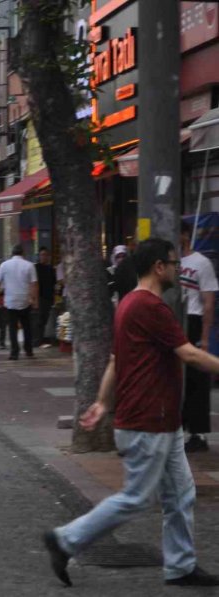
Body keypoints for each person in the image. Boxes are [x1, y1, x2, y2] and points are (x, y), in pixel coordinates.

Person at [44, 237, 219, 589]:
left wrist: (102, 402)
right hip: (148, 420)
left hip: (162, 421)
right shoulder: (150, 307)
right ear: (159, 267)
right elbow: (189, 354)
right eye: (174, 264)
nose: (177, 269)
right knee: (136, 498)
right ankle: (66, 539)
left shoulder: (128, 304)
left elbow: (115, 360)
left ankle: (181, 566)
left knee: (181, 494)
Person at [180, 221, 218, 452]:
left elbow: (208, 302)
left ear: (185, 235)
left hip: (193, 320)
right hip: (174, 319)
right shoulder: (167, 263)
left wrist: (204, 337)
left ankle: (197, 432)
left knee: (196, 377)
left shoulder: (201, 263)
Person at [0, 244, 38, 360]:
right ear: (23, 253)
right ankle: (28, 350)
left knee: (12, 327)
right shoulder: (29, 265)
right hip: (25, 300)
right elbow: (34, 284)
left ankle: (14, 352)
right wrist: (35, 299)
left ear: (12, 253)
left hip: (10, 300)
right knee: (27, 326)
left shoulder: (4, 265)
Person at [35, 247, 57, 347]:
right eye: (42, 255)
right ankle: (39, 339)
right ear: (39, 256)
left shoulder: (51, 269)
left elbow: (54, 283)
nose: (44, 257)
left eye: (46, 255)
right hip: (39, 296)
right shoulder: (36, 268)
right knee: (40, 319)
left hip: (49, 297)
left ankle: (43, 338)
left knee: (46, 318)